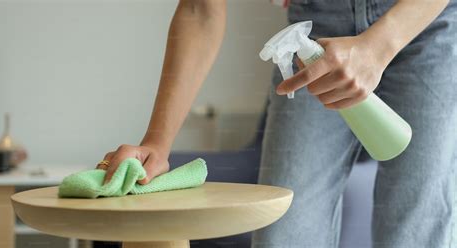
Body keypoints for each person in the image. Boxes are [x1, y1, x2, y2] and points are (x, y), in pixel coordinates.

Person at [95, 0, 456, 247]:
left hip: (427, 24)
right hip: (313, 28)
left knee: (418, 229)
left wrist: (378, 46)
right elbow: (200, 8)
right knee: (283, 232)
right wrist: (157, 142)